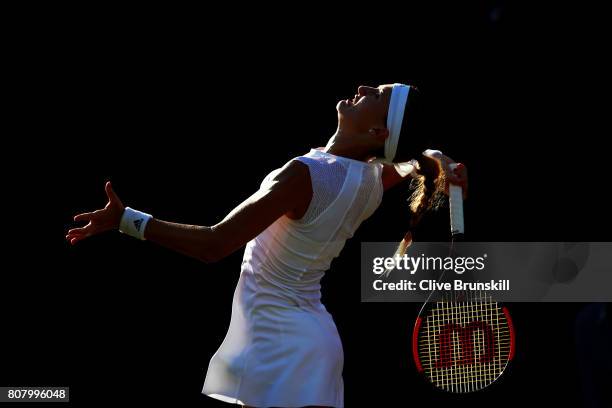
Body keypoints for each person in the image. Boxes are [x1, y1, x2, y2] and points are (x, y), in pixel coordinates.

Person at [66, 83, 468, 407]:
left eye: (376, 96)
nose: (363, 87)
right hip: (310, 348)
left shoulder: (304, 175)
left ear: (378, 133)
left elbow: (214, 244)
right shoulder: (369, 182)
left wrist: (127, 220)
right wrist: (437, 160)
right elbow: (407, 160)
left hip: (284, 350)